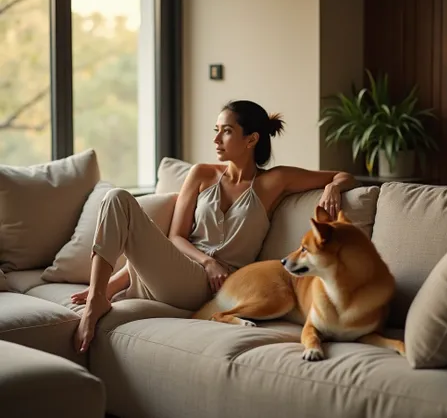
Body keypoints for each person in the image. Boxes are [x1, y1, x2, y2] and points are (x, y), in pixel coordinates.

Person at [72, 100, 356, 353]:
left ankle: (105, 292)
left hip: (215, 288)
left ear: (251, 139)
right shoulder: (202, 174)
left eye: (227, 131)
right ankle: (102, 294)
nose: (216, 138)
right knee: (117, 198)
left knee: (118, 199)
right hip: (184, 269)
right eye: (216, 129)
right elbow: (176, 237)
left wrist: (332, 189)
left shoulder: (275, 181)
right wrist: (207, 261)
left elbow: (345, 175)